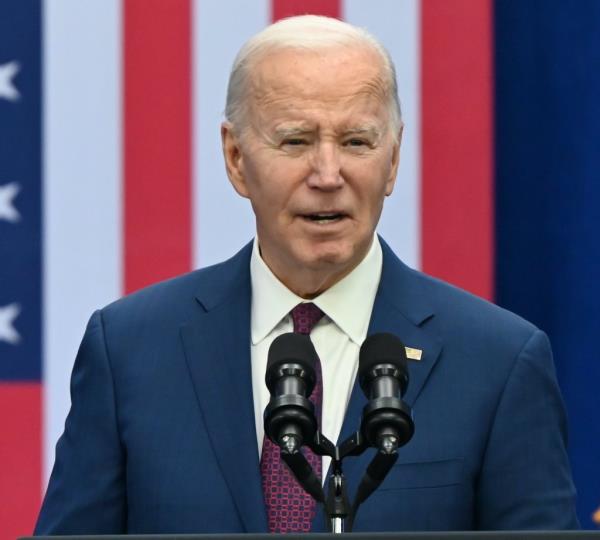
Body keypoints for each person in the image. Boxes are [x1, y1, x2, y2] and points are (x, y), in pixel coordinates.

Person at [35, 15, 578, 534]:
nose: (327, 174)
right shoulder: (129, 350)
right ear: (235, 158)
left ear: (392, 162)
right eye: (295, 140)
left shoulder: (500, 361)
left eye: (356, 142)